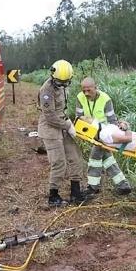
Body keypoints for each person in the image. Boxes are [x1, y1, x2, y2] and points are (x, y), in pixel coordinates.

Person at [38, 59, 91, 207]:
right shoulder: (46, 90)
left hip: (63, 124)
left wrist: (70, 124)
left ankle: (76, 193)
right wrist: (67, 125)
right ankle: (53, 196)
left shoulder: (63, 84)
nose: (62, 85)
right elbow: (50, 116)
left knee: (75, 156)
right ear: (53, 77)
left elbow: (63, 109)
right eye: (60, 83)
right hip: (50, 128)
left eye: (65, 83)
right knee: (59, 162)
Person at [75, 77, 131, 196]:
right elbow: (78, 118)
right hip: (92, 133)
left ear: (96, 87)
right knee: (107, 159)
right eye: (83, 90)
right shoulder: (80, 97)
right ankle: (123, 185)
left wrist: (106, 134)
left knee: (94, 158)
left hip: (105, 134)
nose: (86, 93)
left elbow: (112, 121)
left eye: (89, 90)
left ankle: (93, 187)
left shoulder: (105, 99)